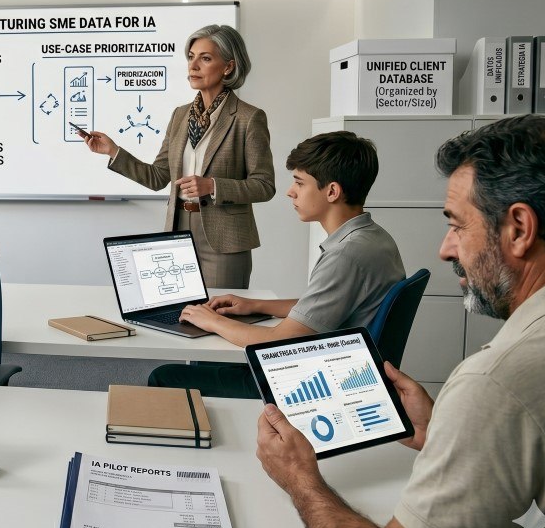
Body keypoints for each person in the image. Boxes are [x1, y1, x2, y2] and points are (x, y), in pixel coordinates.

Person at [255, 115, 545, 528]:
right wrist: (441, 438)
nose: (446, 249)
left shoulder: (500, 385)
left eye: (457, 225)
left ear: (519, 229)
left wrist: (300, 479)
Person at [151, 131, 405, 397]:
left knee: (166, 376)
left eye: (300, 183)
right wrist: (255, 305)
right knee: (211, 358)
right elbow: (322, 307)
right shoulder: (374, 238)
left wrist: (212, 321)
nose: (290, 192)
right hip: (338, 368)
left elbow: (281, 341)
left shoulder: (346, 254)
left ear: (331, 191)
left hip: (308, 384)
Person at [82, 24, 274, 288]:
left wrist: (213, 186)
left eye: (205, 58)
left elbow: (264, 186)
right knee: (181, 312)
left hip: (224, 239)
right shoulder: (180, 115)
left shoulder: (249, 118)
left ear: (228, 67)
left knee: (220, 315)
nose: (193, 66)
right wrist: (113, 151)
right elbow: (159, 177)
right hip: (178, 230)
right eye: (191, 57)